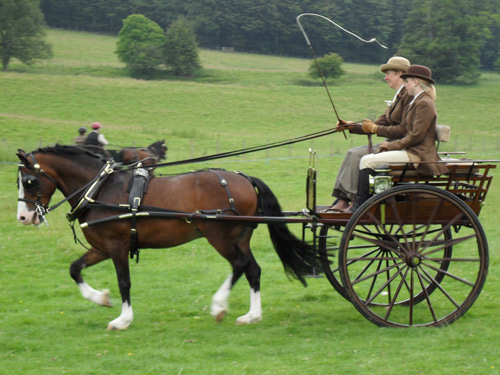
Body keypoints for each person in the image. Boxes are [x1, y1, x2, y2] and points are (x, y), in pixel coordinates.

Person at [350, 64, 449, 212]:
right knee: (368, 159)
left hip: (417, 153)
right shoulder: (417, 101)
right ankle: (364, 204)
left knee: (367, 160)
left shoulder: (424, 103)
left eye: (407, 81)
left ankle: (360, 209)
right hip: (411, 150)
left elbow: (415, 136)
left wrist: (390, 145)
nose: (405, 85)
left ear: (415, 82)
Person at [327, 56, 413, 212]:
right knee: (352, 152)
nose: (386, 78)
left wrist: (374, 129)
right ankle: (343, 200)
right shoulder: (399, 97)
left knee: (356, 155)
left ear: (400, 74)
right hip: (390, 145)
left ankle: (353, 202)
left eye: (389, 74)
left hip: (399, 147)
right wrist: (350, 126)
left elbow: (403, 129)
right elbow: (378, 123)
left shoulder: (408, 96)